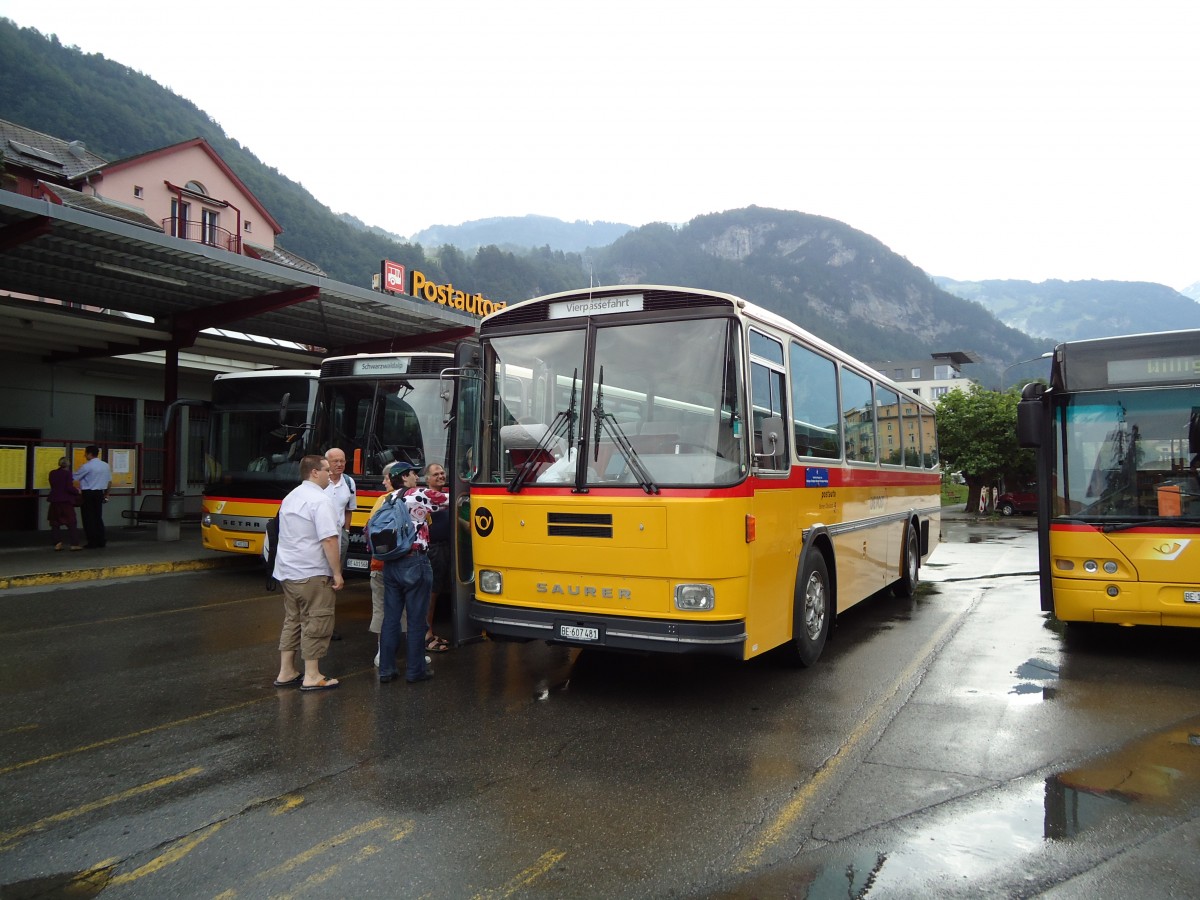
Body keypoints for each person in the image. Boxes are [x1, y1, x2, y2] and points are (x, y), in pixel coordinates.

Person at [273, 455, 344, 691]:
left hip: (288, 570)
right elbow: (329, 539)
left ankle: (286, 671)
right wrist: (337, 572)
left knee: (293, 620)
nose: (331, 474)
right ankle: (312, 674)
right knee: (317, 618)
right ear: (314, 472)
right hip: (312, 571)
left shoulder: (290, 497)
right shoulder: (320, 500)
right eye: (326, 469)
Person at [377, 464, 436, 684]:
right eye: (413, 473)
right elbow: (451, 500)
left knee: (391, 619)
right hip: (415, 561)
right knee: (416, 620)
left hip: (391, 563)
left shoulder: (387, 499)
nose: (416, 477)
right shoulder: (417, 495)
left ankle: (386, 670)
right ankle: (415, 671)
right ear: (404, 477)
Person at [423, 463, 452, 652]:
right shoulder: (425, 498)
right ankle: (427, 635)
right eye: (436, 474)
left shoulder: (447, 497)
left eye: (442, 473)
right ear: (427, 479)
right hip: (433, 550)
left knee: (438, 592)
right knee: (431, 594)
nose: (440, 476)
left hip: (446, 548)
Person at [73, 445, 112, 549]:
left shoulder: (87, 466)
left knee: (88, 518)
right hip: (99, 493)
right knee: (98, 517)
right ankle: (101, 540)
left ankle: (92, 542)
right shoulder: (105, 465)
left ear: (90, 454)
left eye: (85, 453)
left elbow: (75, 477)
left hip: (88, 493)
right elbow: (109, 481)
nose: (84, 455)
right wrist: (107, 493)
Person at [323, 448, 356, 565]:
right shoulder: (320, 481)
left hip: (340, 534)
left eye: (342, 461)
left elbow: (349, 509)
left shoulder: (349, 482)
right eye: (335, 461)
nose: (339, 464)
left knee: (337, 569)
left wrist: (346, 531)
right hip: (320, 532)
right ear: (326, 462)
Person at [47, 456, 83, 551]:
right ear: (68, 464)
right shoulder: (67, 474)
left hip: (54, 500)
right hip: (65, 501)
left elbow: (53, 485)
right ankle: (74, 544)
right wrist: (77, 491)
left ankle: (57, 543)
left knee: (55, 523)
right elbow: (69, 488)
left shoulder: (52, 473)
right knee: (71, 522)